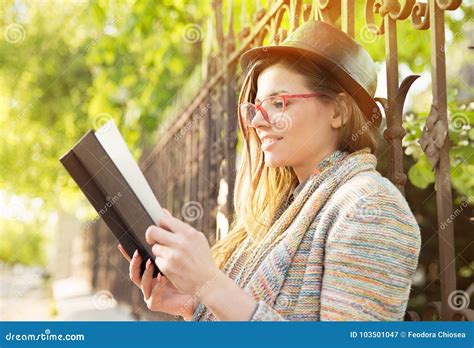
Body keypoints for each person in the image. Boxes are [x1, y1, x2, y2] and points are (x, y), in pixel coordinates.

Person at [118, 20, 421, 321]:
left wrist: (211, 285)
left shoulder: (369, 205)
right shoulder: (282, 211)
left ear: (338, 112)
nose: (258, 121)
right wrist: (193, 305)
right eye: (256, 106)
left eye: (279, 103)